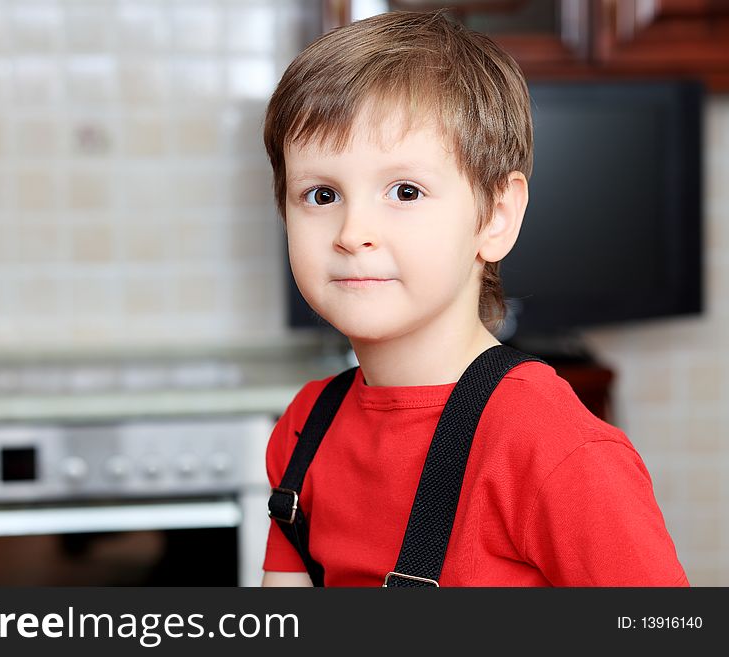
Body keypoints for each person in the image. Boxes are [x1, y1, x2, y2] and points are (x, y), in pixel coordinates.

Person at [259, 9, 688, 587]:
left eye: (405, 190)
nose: (351, 231)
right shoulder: (305, 426)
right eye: (321, 193)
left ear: (496, 216)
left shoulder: (554, 447)